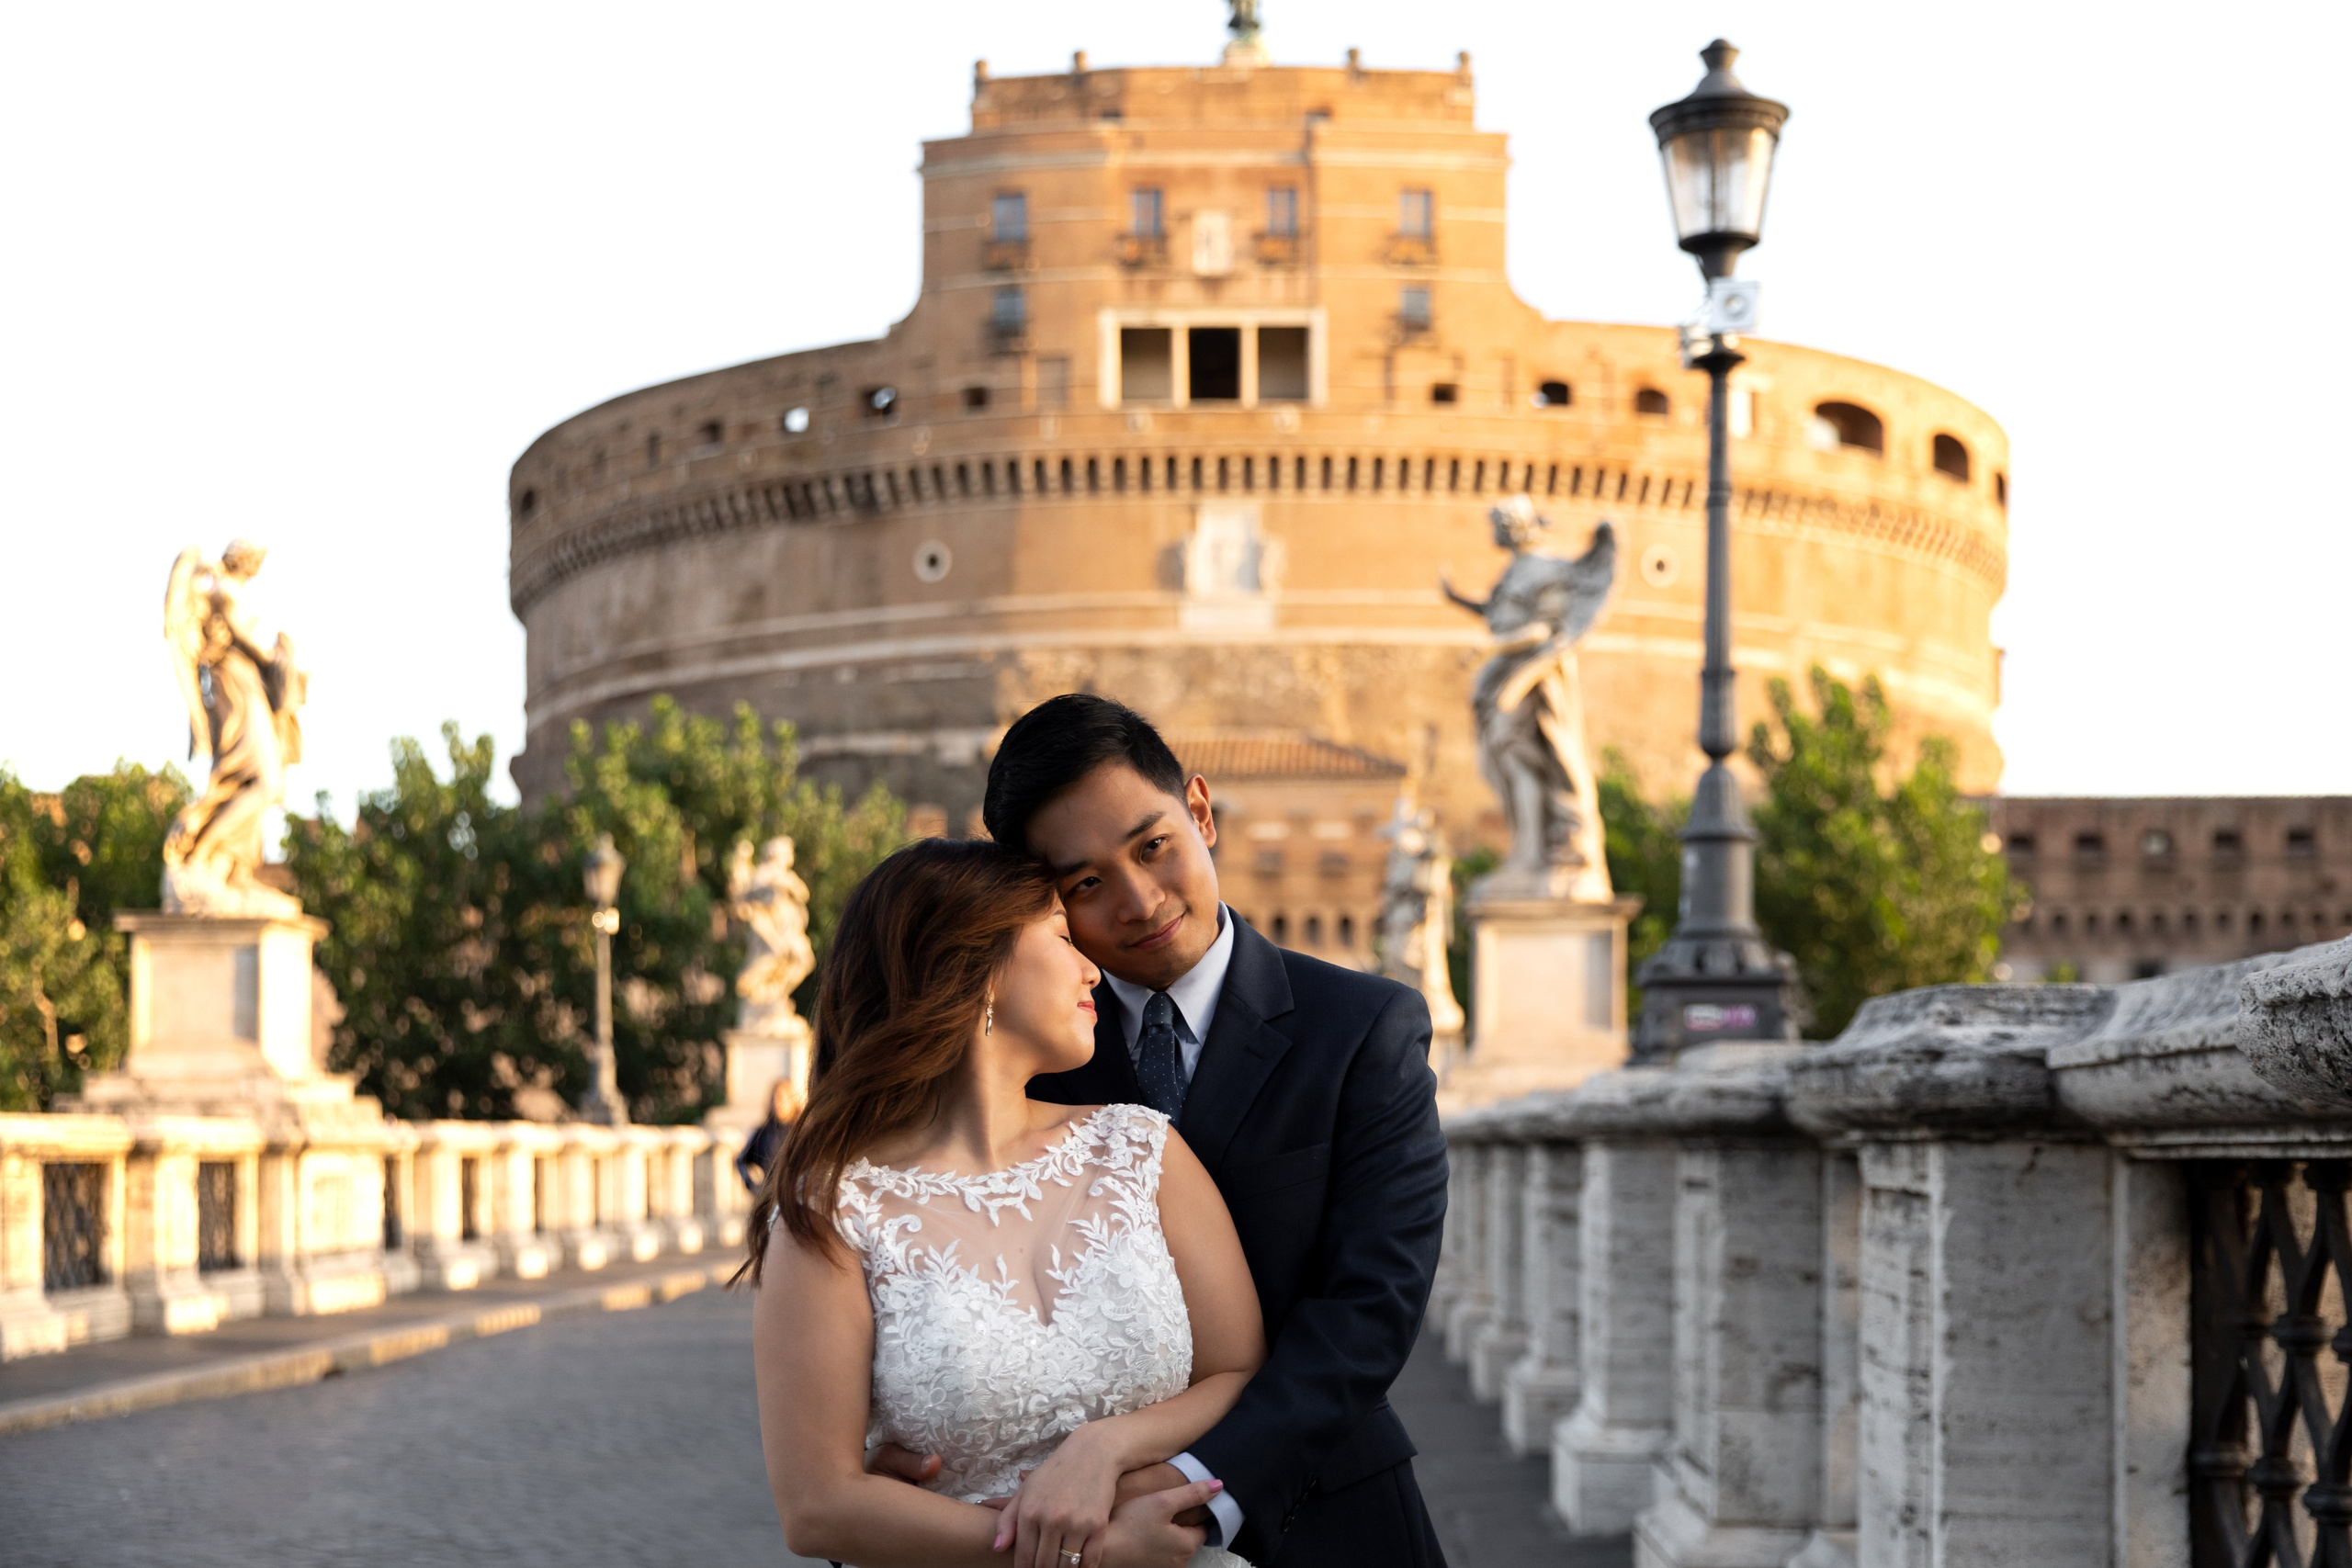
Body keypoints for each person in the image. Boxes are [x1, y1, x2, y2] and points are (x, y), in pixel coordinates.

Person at [875, 694, 1451, 1566]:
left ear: (1202, 812)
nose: (1140, 902)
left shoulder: (1364, 1027)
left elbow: (1370, 1312)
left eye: (1153, 847)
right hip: (1050, 1533)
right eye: (1086, 884)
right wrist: (900, 1466)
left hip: (1326, 1518)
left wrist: (1180, 1483)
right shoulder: (1031, 1045)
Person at [743, 838, 1265, 1568]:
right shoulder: (831, 1209)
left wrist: (1105, 1451)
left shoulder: (1140, 1149)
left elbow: (1239, 1372)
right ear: (976, 968)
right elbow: (818, 1505)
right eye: (1062, 937)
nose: (1093, 969)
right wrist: (1094, 1554)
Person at [733, 1077, 801, 1195]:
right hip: (769, 1200)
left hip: (795, 1199)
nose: (777, 1103)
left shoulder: (801, 1133)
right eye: (774, 1098)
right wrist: (754, 1186)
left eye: (781, 1098)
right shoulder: (762, 1133)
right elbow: (741, 1161)